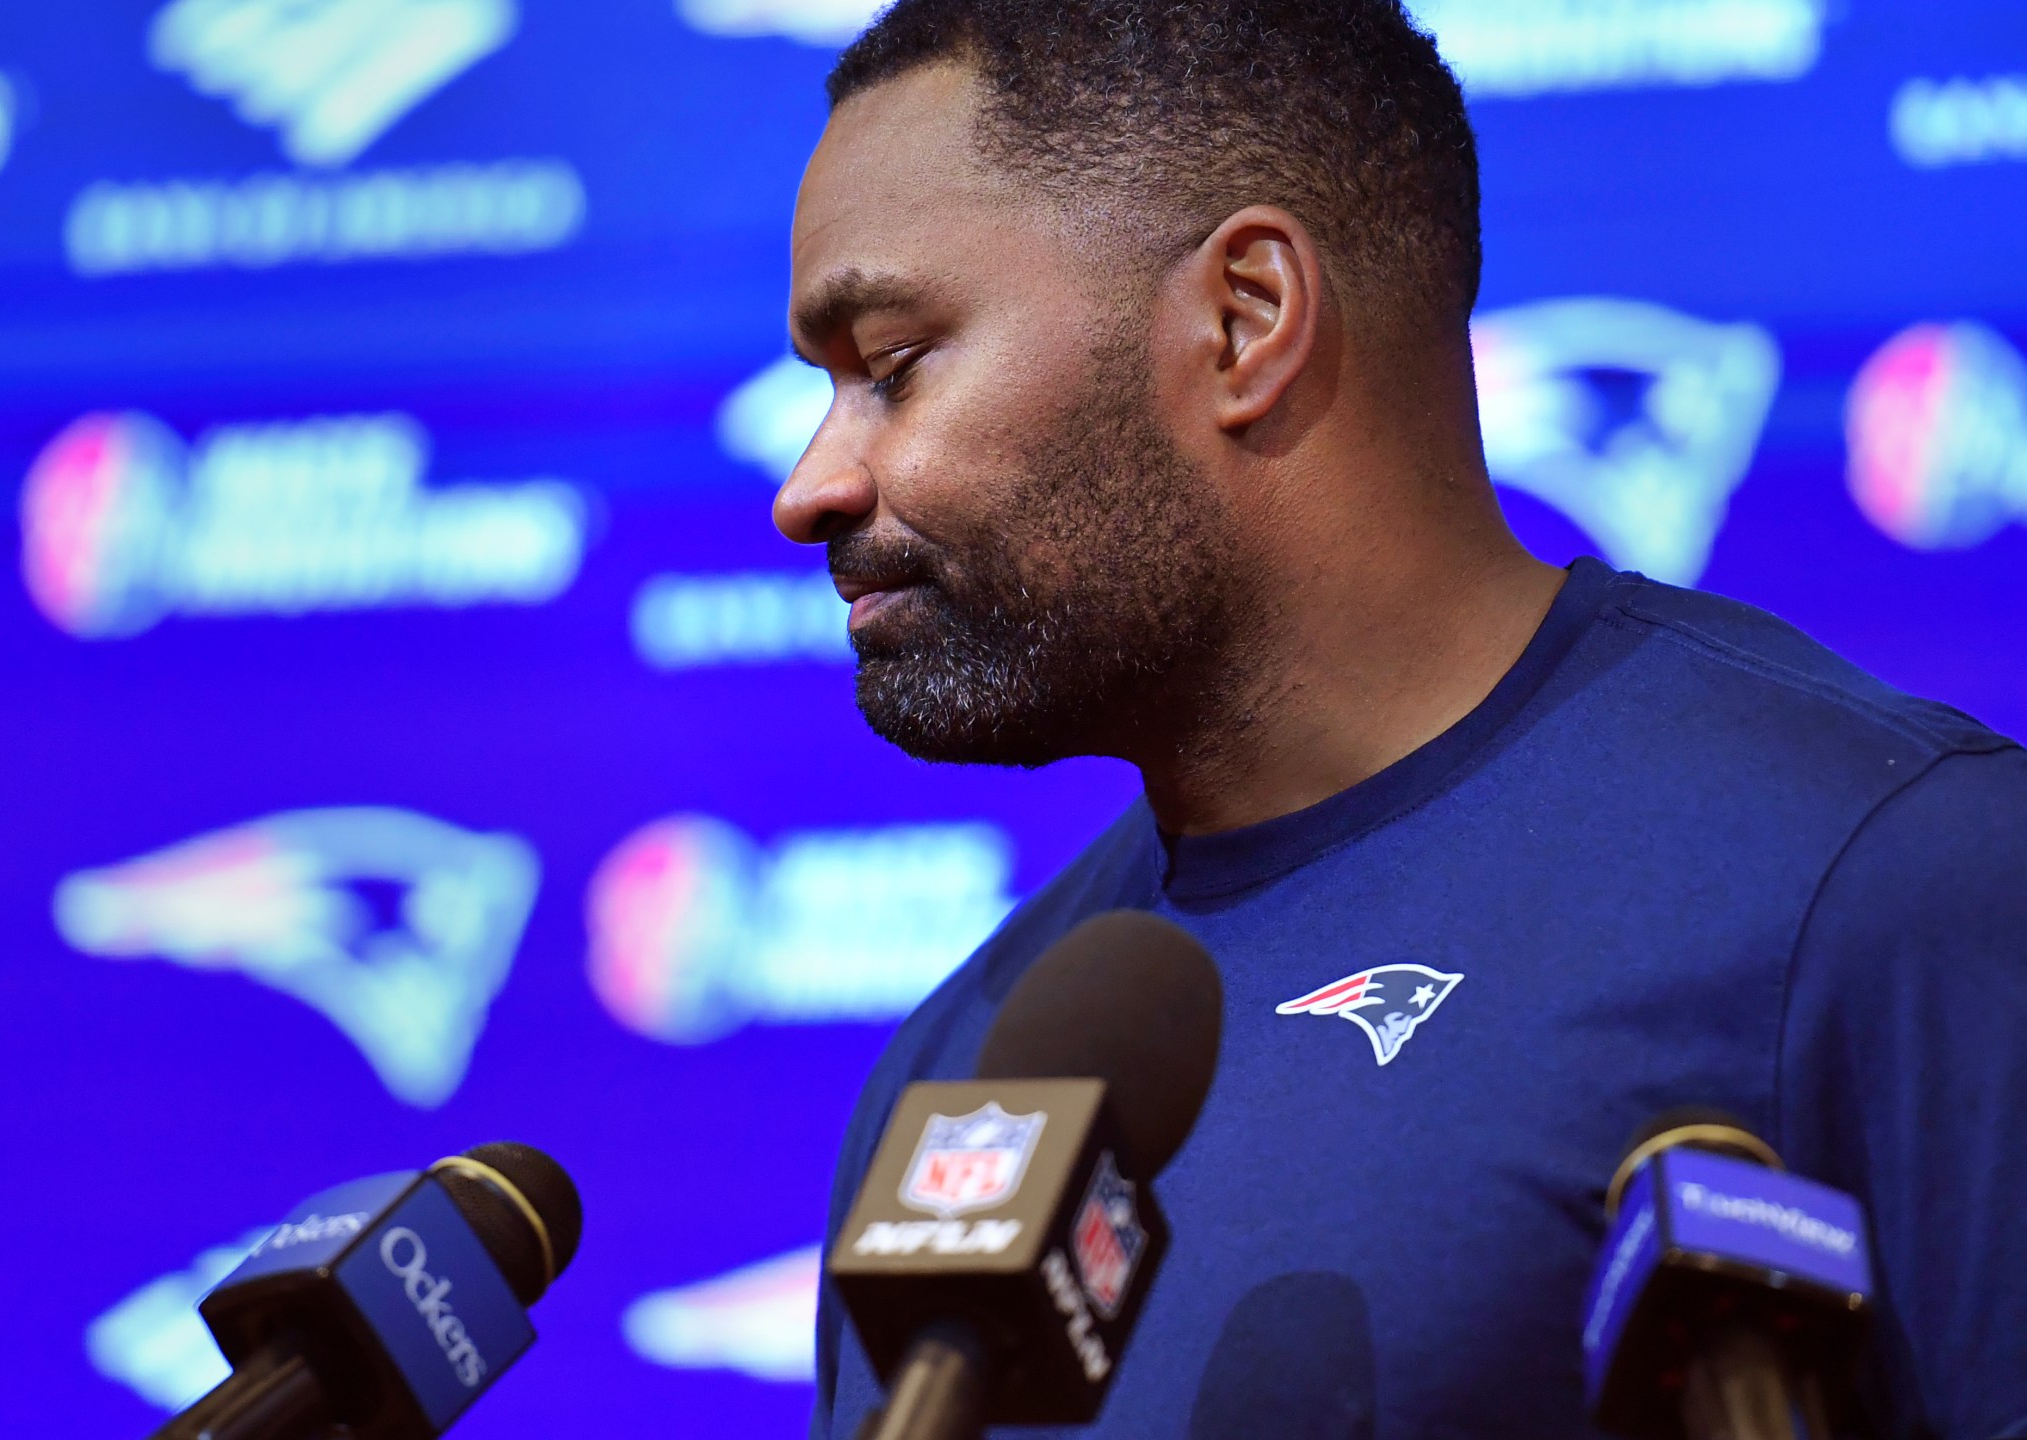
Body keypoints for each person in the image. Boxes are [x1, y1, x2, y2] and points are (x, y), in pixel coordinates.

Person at [774, 1, 2027, 1436]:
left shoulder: (1888, 881)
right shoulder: (968, 1072)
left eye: (892, 365)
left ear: (1245, 320)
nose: (810, 484)